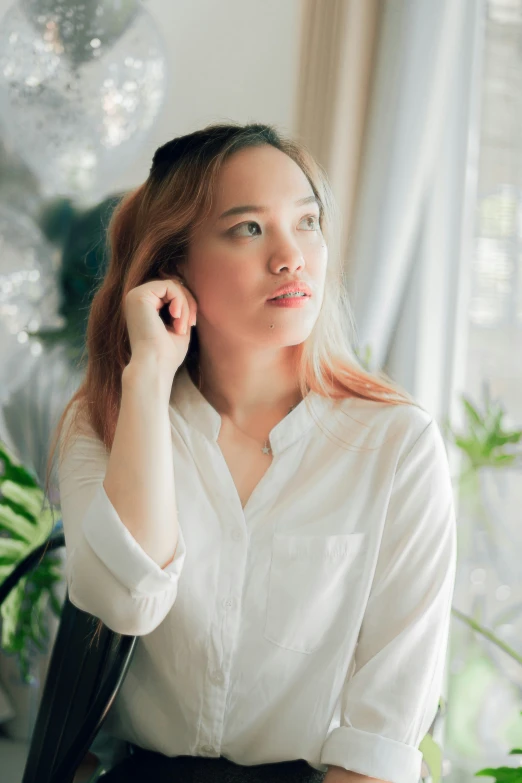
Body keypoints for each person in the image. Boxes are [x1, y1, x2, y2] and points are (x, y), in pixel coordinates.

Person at [51, 123, 457, 783]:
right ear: (173, 265)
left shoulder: (396, 445)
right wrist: (150, 374)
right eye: (248, 228)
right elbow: (125, 600)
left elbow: (380, 740)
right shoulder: (106, 421)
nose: (291, 256)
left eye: (307, 222)